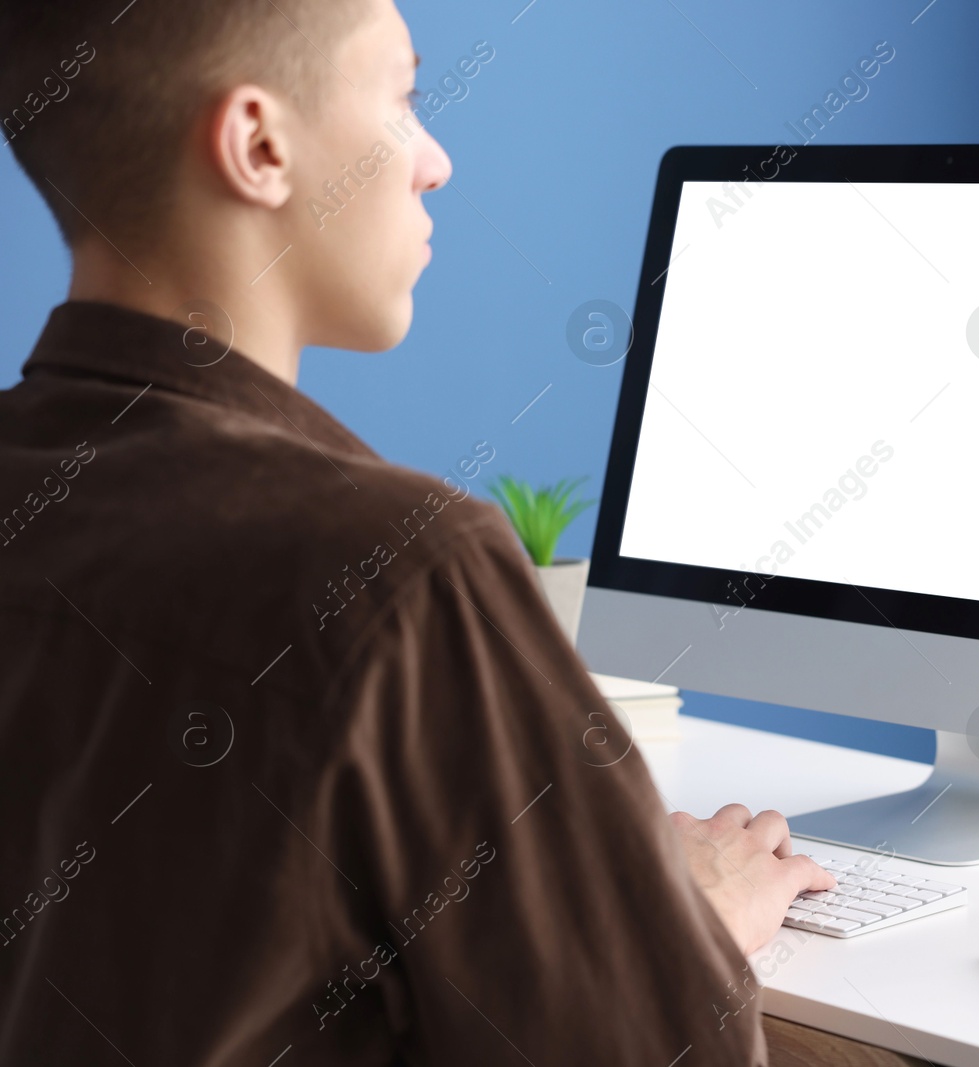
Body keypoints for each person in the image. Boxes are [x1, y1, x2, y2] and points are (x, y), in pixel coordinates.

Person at [0, 1, 841, 1062]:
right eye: (402, 99)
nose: (433, 162)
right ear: (259, 145)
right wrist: (674, 927)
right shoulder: (398, 571)